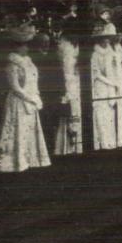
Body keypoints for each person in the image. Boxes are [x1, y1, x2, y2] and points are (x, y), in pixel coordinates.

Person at [0, 25, 51, 173]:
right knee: (18, 130)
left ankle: (30, 159)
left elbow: (34, 81)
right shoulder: (12, 64)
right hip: (19, 102)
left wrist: (37, 96)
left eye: (26, 45)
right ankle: (17, 162)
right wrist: (31, 99)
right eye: (24, 46)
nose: (26, 48)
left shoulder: (28, 61)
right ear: (17, 47)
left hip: (31, 100)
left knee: (29, 131)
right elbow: (15, 87)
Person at [53, 23, 82, 155]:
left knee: (75, 111)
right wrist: (68, 88)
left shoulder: (75, 45)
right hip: (69, 81)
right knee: (69, 110)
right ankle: (65, 147)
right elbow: (67, 68)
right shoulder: (66, 46)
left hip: (75, 80)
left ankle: (75, 145)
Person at [90, 22, 120, 150]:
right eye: (104, 38)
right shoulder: (95, 54)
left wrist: (115, 82)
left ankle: (110, 141)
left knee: (110, 111)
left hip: (111, 85)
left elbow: (115, 68)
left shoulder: (111, 52)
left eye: (108, 38)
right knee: (101, 112)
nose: (107, 40)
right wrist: (110, 82)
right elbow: (96, 73)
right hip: (100, 85)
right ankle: (102, 142)